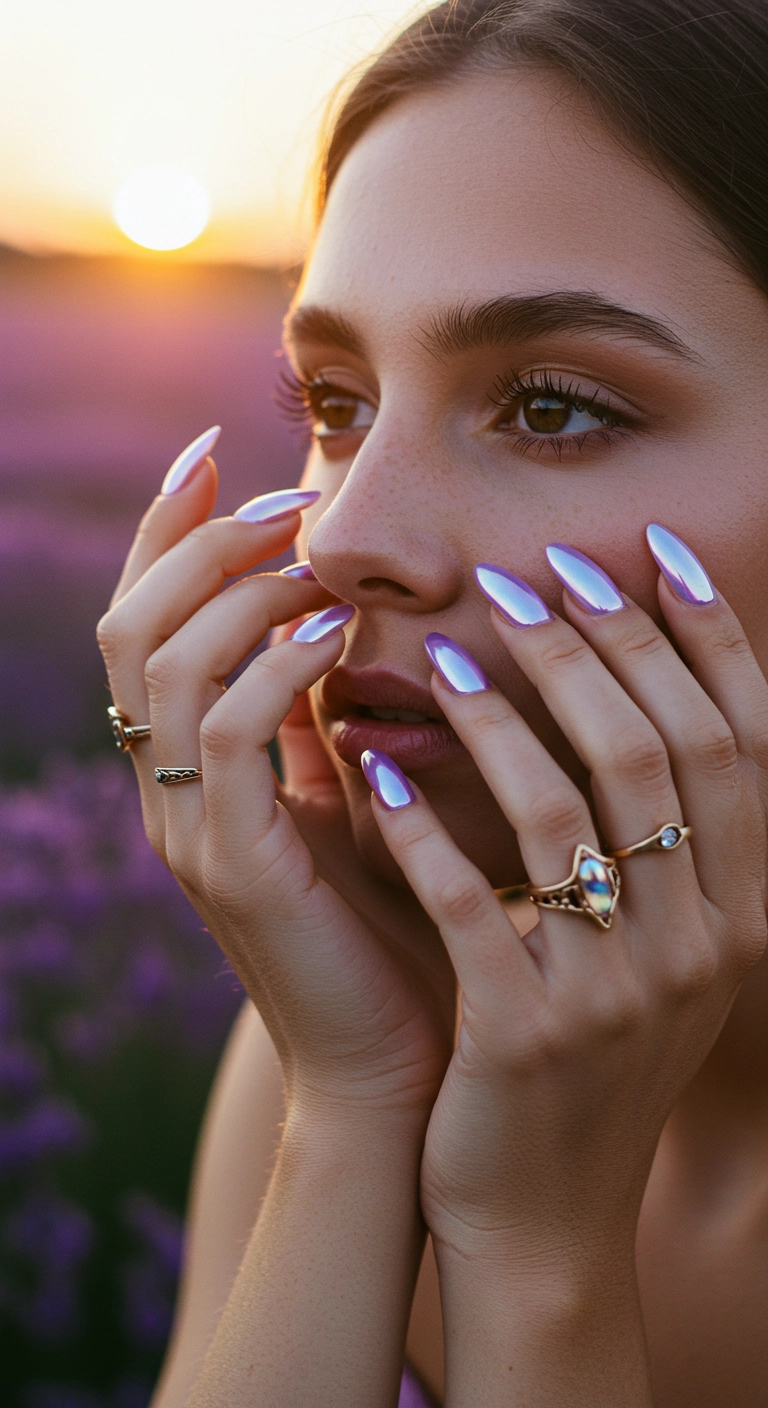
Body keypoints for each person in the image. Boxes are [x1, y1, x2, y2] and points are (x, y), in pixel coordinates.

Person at [97, 1, 768, 1402]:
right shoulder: (370, 1019)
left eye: (553, 406)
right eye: (337, 402)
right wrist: (348, 1114)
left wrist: (537, 1263)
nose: (342, 536)